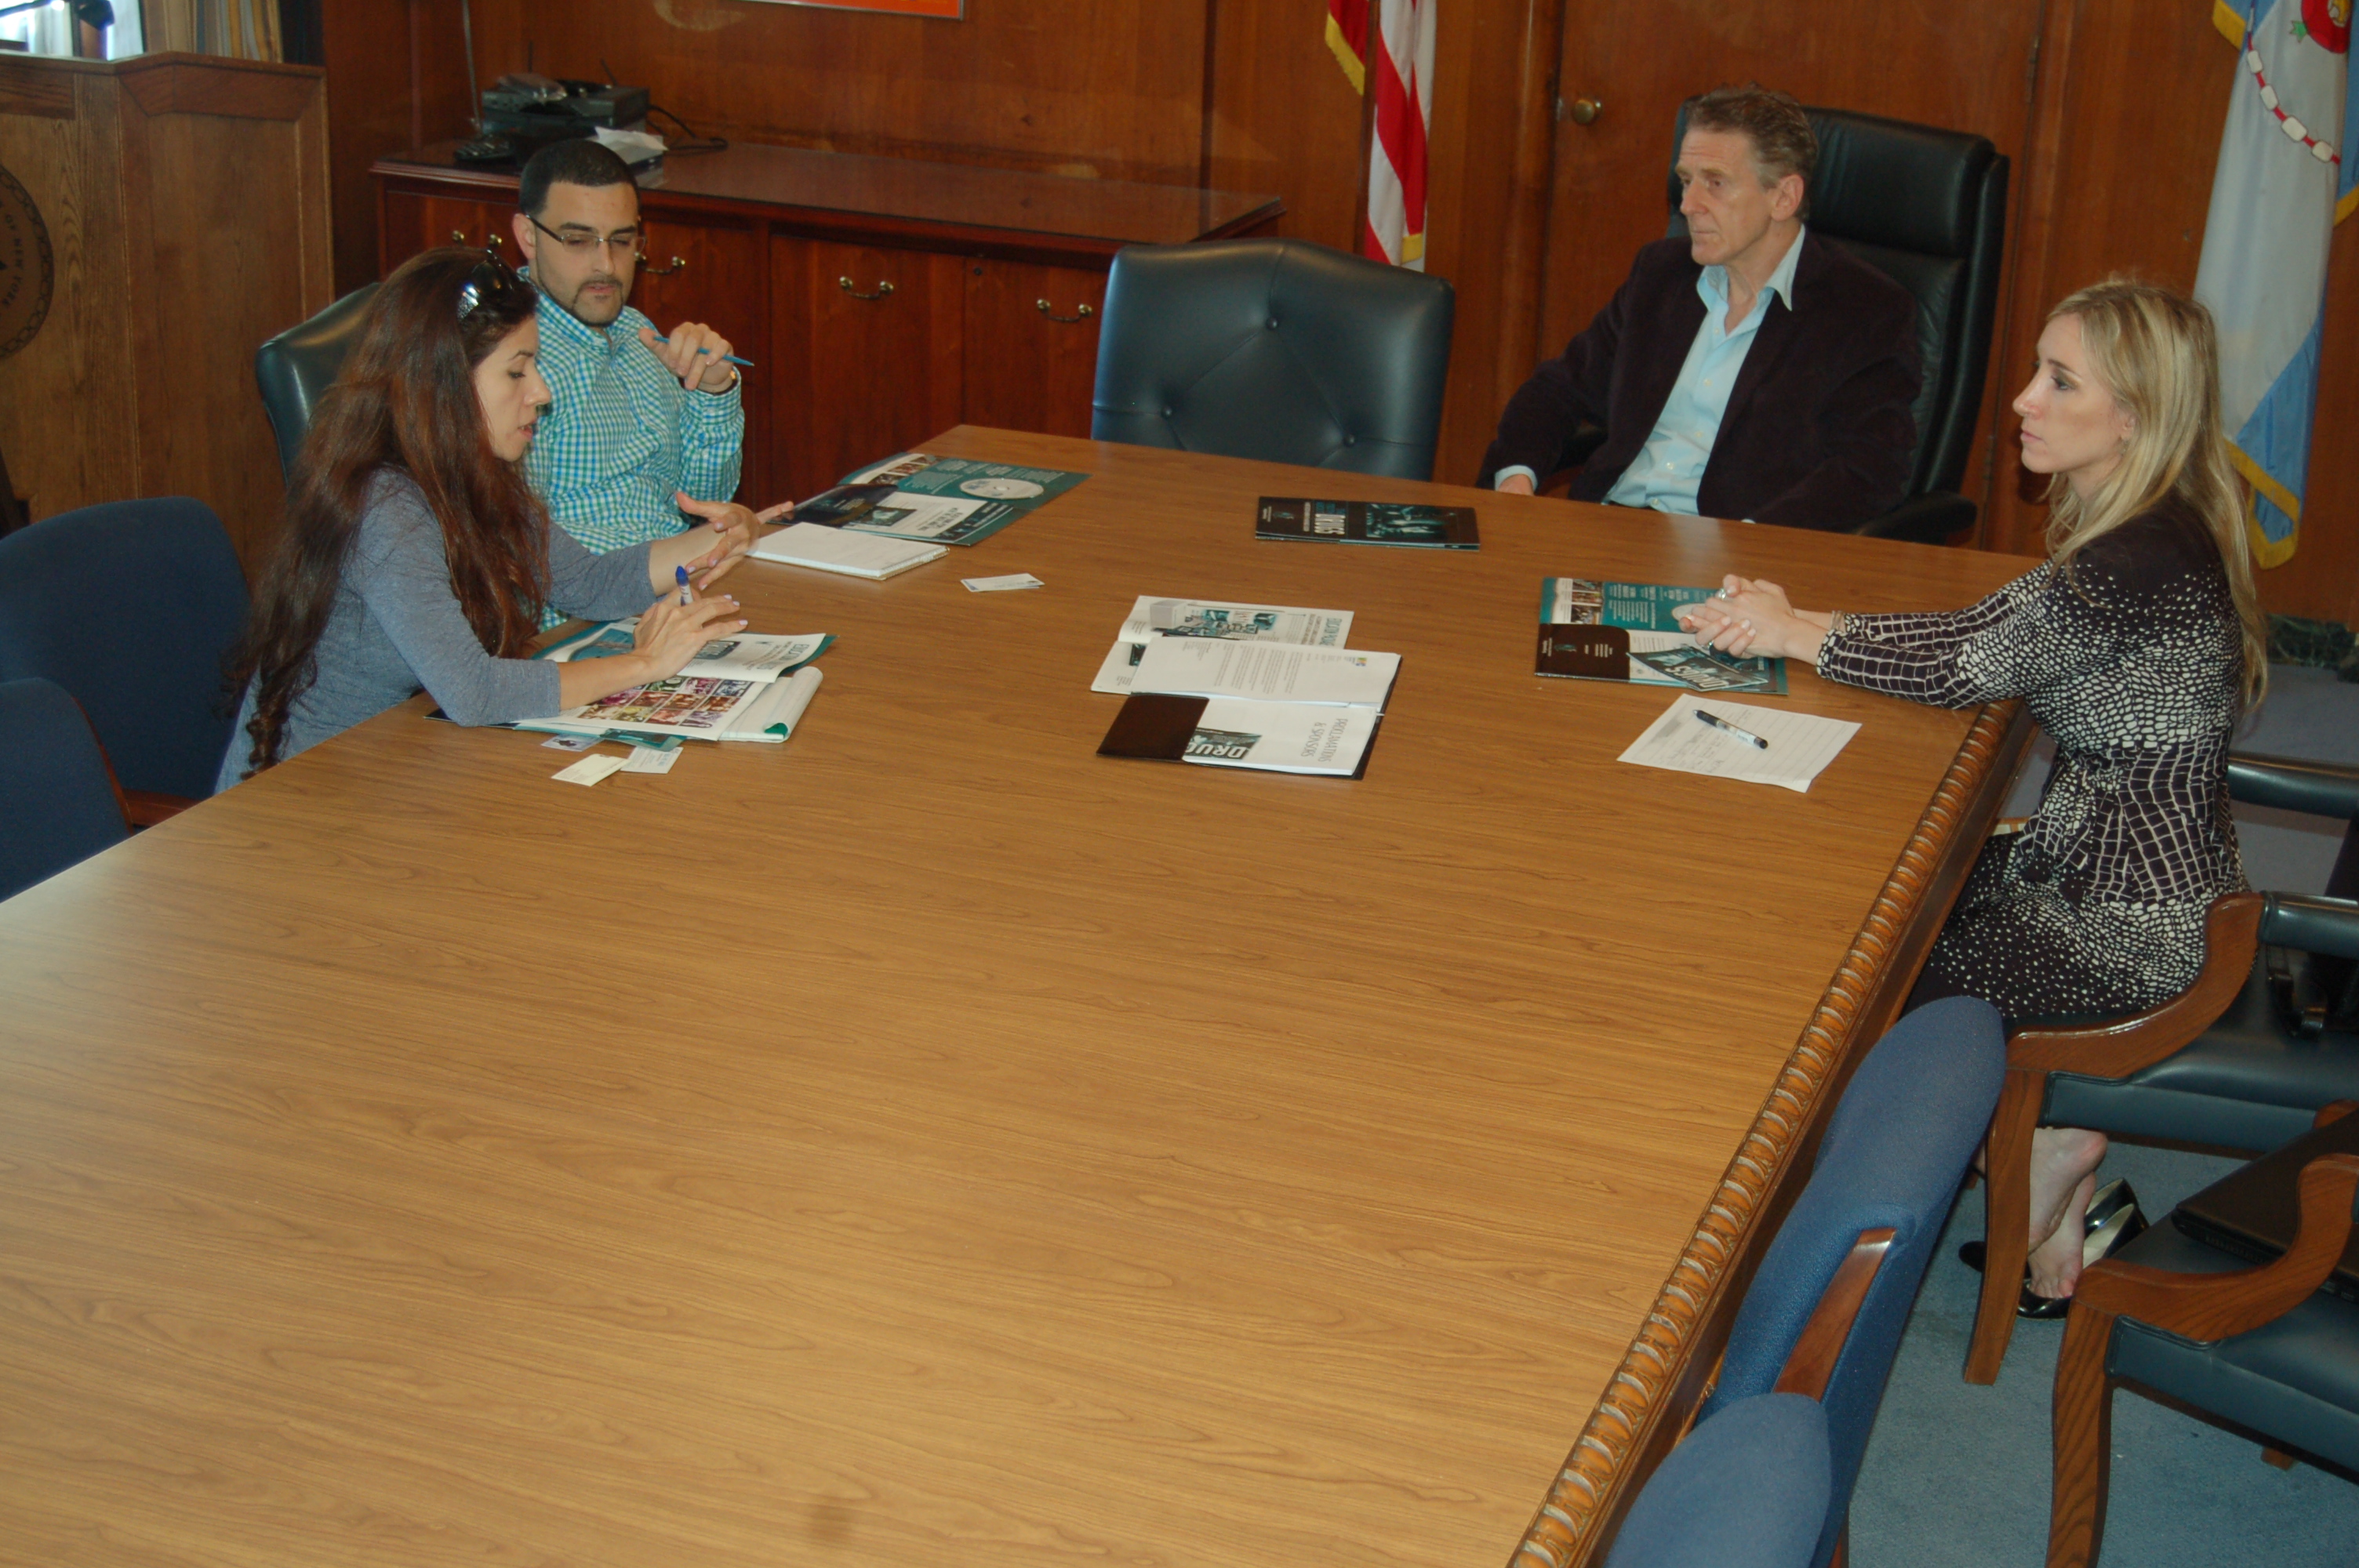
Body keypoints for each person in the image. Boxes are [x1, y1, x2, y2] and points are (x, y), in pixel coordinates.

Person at [1676, 278, 2269, 1307]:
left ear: (2132, 417)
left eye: (2060, 381)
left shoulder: (2134, 557)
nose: (2024, 400)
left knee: (1858, 981)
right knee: (1870, 901)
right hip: (2103, 867)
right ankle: (2050, 1161)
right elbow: (1984, 631)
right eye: (2038, 370)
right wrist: (1801, 621)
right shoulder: (2147, 524)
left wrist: (1793, 633)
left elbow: (1966, 665)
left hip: (2126, 924)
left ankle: (2017, 1160)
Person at [218, 249, 760, 788]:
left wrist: (725, 534)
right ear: (444, 383)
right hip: (307, 795)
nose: (541, 392)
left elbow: (586, 583)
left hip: (402, 762)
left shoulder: (474, 472)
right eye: (517, 371)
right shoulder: (386, 506)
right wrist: (643, 665)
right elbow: (473, 691)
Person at [1480, 84, 1921, 531]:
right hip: (1610, 528)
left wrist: (1748, 545)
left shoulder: (1865, 310)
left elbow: (1868, 470)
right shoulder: (1661, 275)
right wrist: (1516, 478)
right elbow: (1559, 388)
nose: (1688, 205)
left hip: (1738, 547)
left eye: (1715, 183)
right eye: (1686, 180)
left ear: (1784, 197)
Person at [511, 139, 746, 554]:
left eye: (622, 241)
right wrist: (666, 566)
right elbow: (518, 548)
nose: (606, 265)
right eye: (578, 240)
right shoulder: (509, 355)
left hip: (681, 567)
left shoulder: (637, 331)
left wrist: (713, 390)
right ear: (528, 237)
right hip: (598, 586)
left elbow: (701, 500)